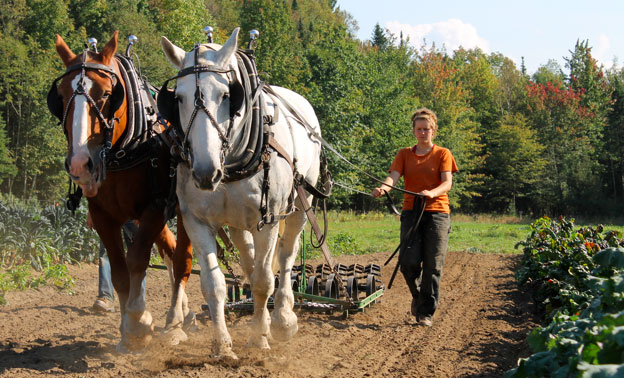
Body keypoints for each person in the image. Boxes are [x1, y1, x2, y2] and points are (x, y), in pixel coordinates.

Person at [372, 108, 458, 327]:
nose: (422, 133)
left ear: (433, 130)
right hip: (411, 213)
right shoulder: (404, 154)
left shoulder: (443, 154)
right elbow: (392, 178)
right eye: (418, 129)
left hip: (437, 213)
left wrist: (432, 192)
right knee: (408, 263)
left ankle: (425, 313)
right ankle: (419, 297)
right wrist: (383, 189)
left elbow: (447, 182)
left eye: (426, 129)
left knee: (433, 265)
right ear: (413, 131)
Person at [87, 212, 141, 313]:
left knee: (137, 254)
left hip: (132, 210)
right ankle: (106, 297)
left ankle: (136, 299)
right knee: (106, 252)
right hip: (108, 210)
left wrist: (142, 211)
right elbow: (96, 194)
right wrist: (91, 212)